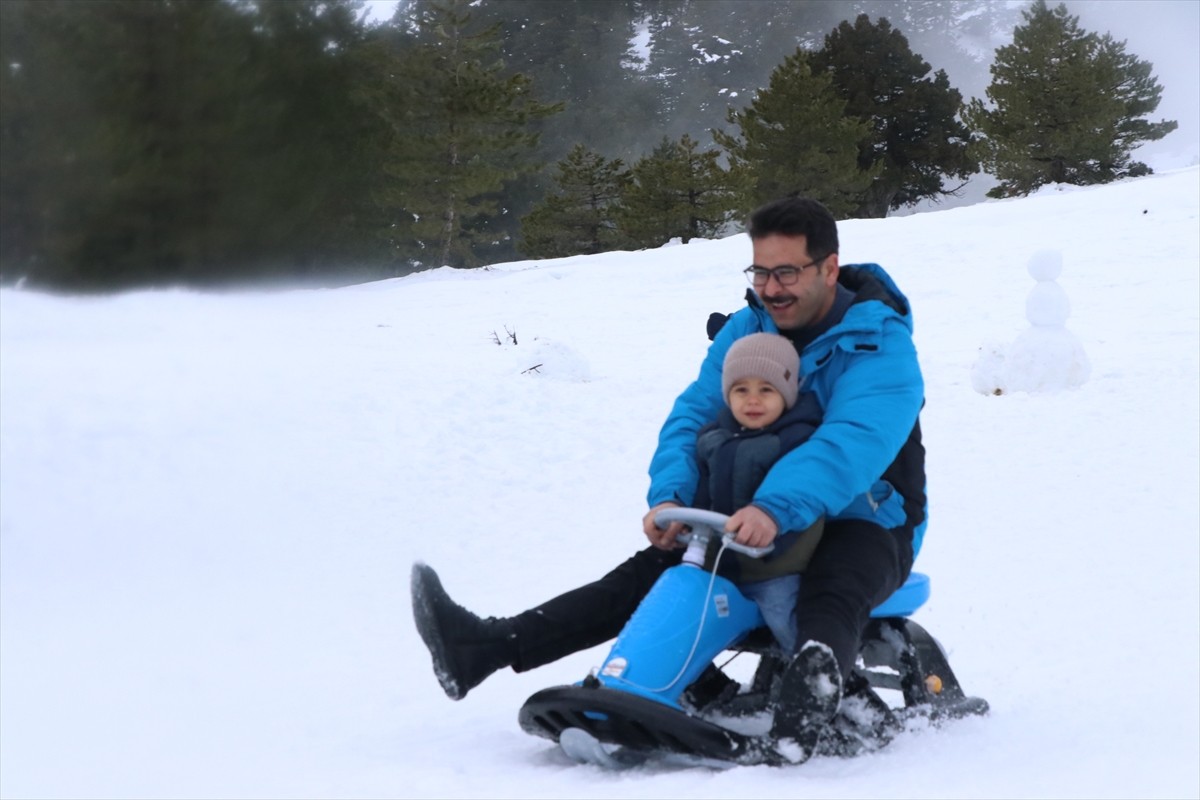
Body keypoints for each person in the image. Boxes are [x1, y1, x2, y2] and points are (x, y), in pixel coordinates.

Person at [411, 196, 926, 765]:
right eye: (760, 272)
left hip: (866, 520)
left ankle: (811, 699)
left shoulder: (879, 344)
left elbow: (849, 445)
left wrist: (775, 507)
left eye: (787, 273)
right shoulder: (746, 330)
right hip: (744, 515)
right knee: (650, 573)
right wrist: (672, 499)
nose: (772, 288)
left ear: (829, 268)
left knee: (834, 581)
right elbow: (693, 417)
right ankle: (485, 646)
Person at [692, 331, 826, 655]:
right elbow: (700, 497)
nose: (752, 400)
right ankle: (697, 688)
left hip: (777, 565)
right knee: (683, 611)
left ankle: (819, 682)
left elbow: (803, 497)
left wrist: (773, 546)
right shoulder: (713, 439)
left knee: (786, 618)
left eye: (766, 390)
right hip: (721, 564)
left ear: (788, 393)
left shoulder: (798, 439)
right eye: (741, 390)